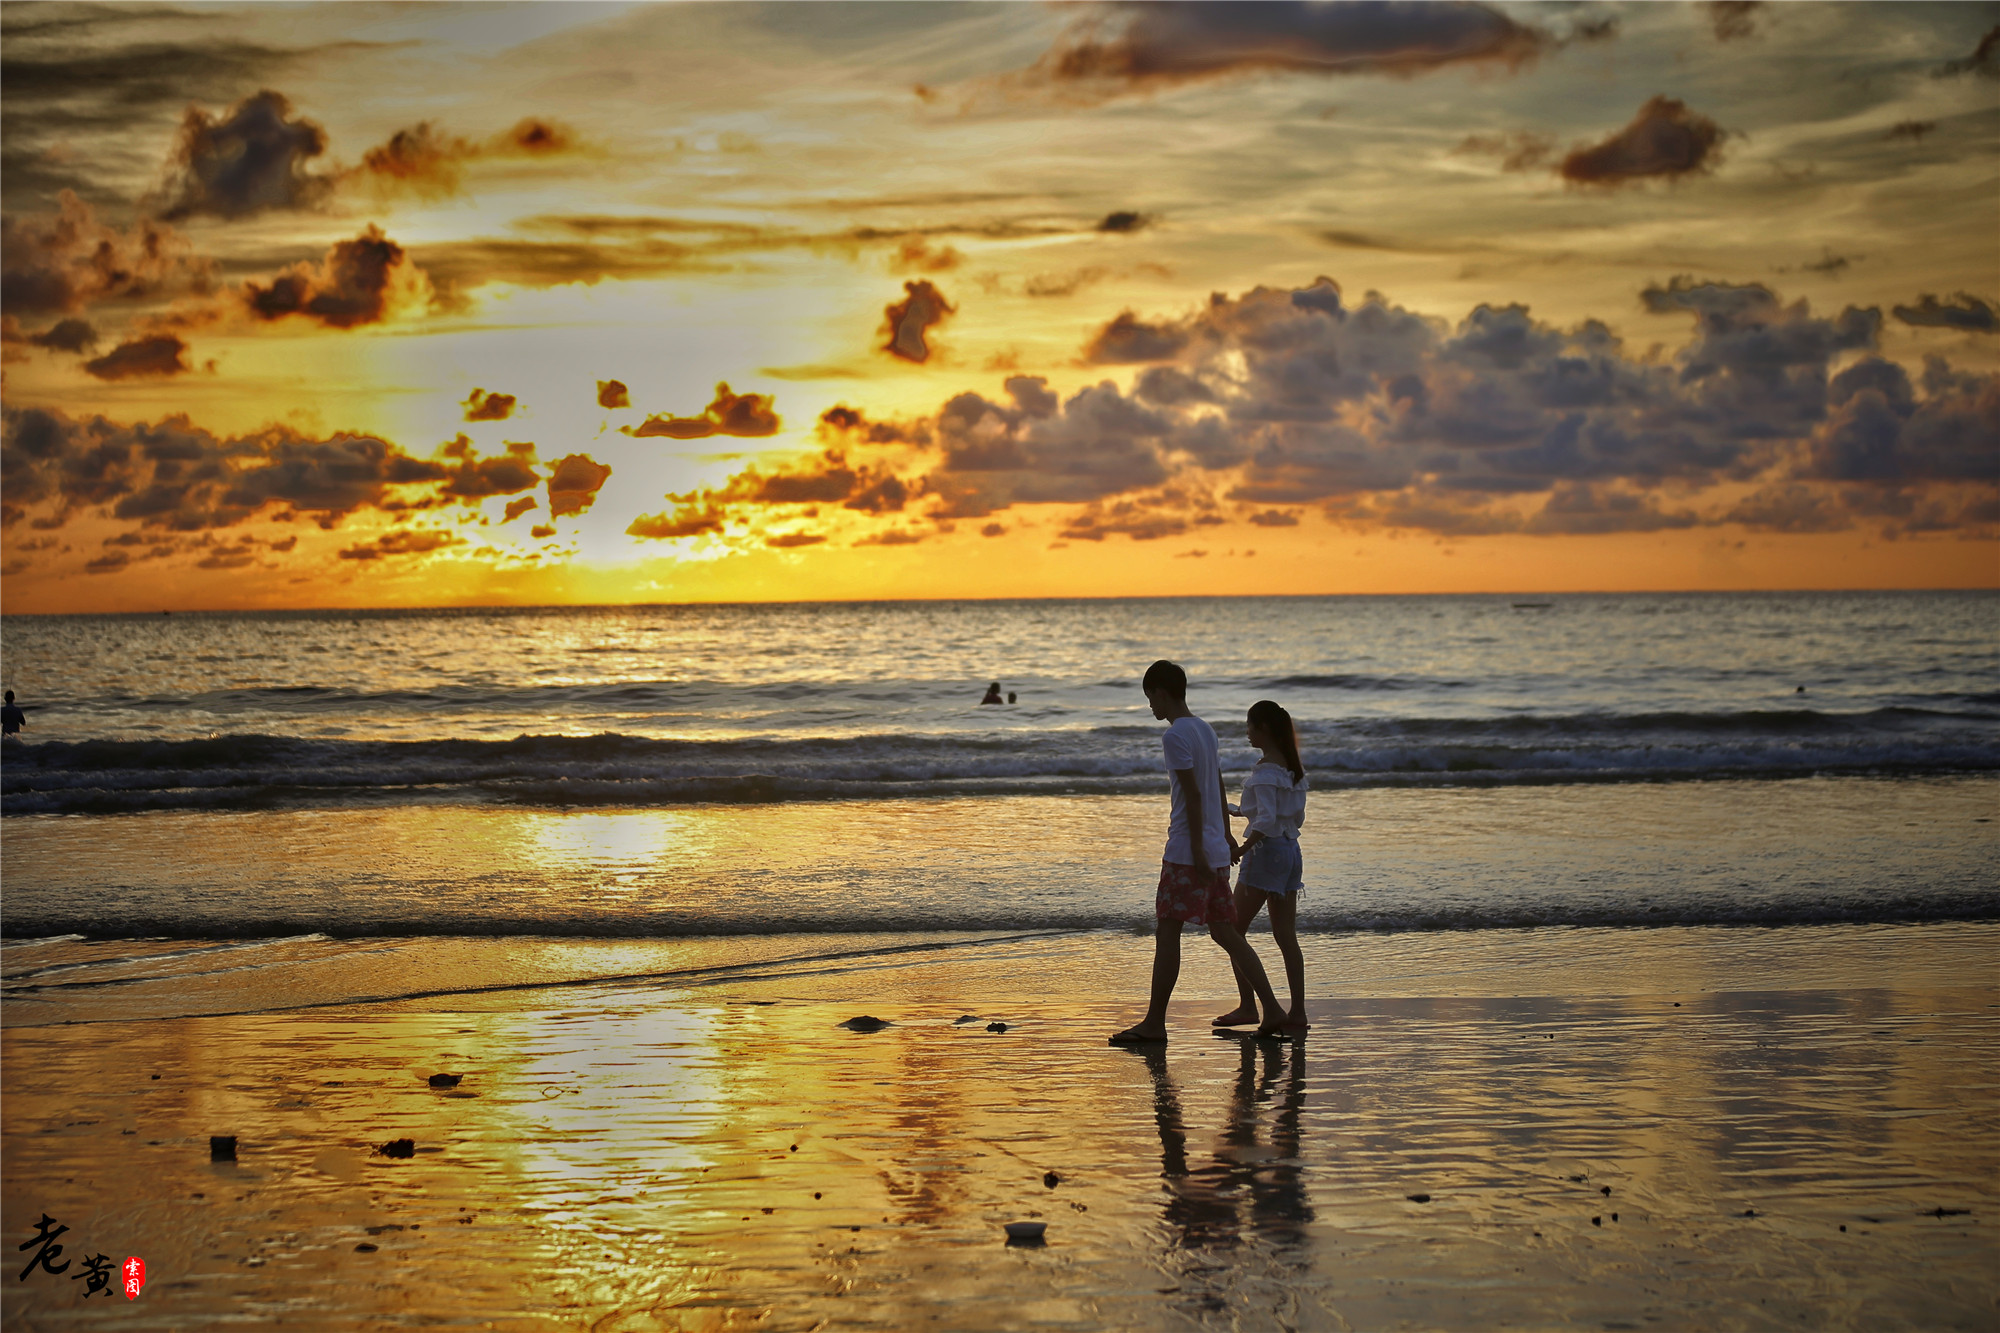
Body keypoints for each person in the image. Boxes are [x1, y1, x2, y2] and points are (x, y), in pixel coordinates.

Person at [1111, 661, 1285, 1044]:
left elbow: (1192, 793)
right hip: (1211, 849)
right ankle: (1272, 1008)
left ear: (1161, 692)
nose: (1150, 707)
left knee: (1168, 931)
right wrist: (1223, 837)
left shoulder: (1175, 735)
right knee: (1226, 932)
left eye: (1149, 698)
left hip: (1187, 853)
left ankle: (1155, 1024)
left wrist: (1198, 852)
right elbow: (1218, 784)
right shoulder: (1204, 729)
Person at [1214, 700, 1310, 1033]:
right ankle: (1297, 1013)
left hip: (1266, 854)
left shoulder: (1266, 770)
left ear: (1264, 728)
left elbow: (1267, 819)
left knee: (1231, 930)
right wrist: (1241, 812)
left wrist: (1242, 845)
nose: (1247, 731)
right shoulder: (1291, 769)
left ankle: (1249, 1006)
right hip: (1290, 852)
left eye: (1250, 725)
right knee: (1286, 937)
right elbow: (1290, 817)